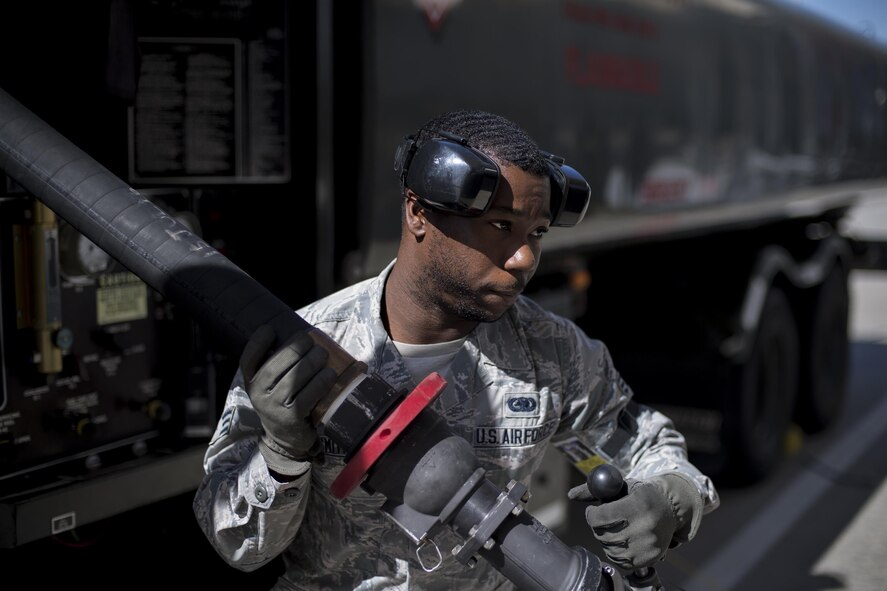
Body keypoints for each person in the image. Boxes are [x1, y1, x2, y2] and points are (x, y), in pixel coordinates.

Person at [192, 109, 720, 590]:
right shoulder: (310, 351)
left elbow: (643, 442)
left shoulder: (550, 353)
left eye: (536, 232)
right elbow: (236, 545)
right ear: (418, 212)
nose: (523, 258)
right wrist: (282, 454)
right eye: (500, 226)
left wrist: (670, 495)